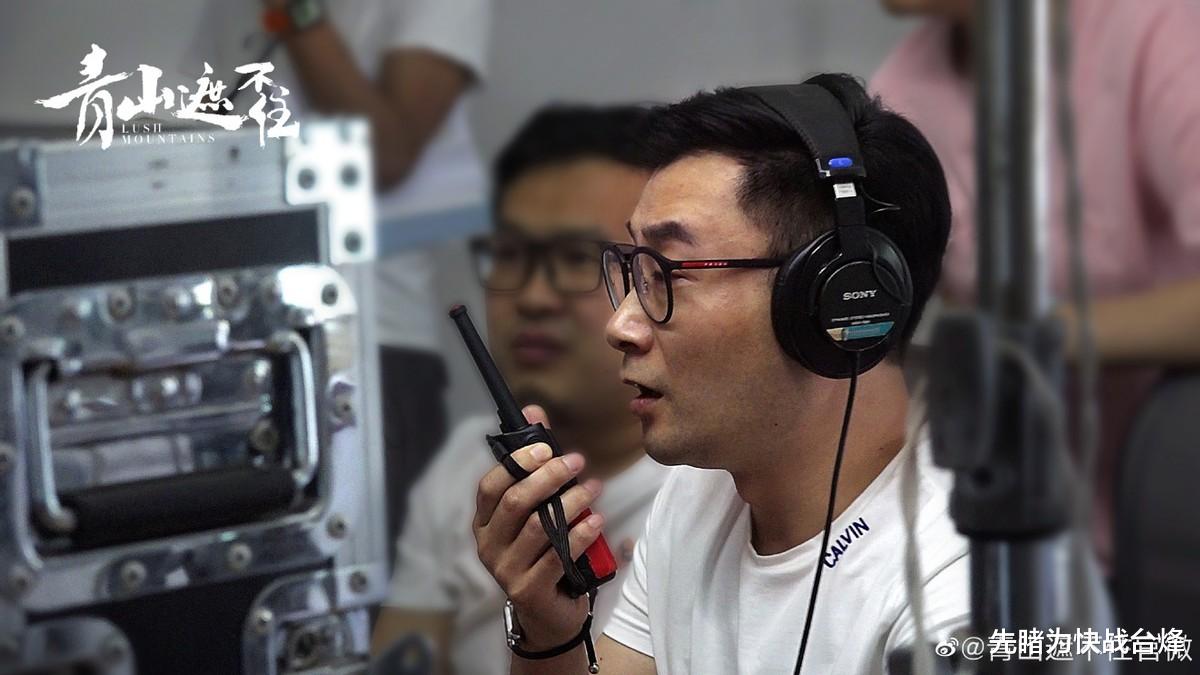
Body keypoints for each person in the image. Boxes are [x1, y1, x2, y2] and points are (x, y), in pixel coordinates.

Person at [471, 74, 970, 674]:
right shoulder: (699, 495)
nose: (621, 324)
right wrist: (549, 631)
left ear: (832, 300)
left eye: (669, 271)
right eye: (632, 270)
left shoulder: (962, 593)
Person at [871, 0, 1200, 569]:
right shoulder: (903, 92)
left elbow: (988, 334)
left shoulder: (1154, 28)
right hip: (1036, 528)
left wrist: (1030, 336)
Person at [185, 0, 493, 561]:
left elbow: (386, 153)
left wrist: (296, 15)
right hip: (236, 339)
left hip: (368, 347)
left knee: (358, 582)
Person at [371, 104, 669, 675]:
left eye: (576, 259)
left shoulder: (711, 487)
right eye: (509, 255)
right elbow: (399, 655)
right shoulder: (466, 465)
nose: (532, 297)